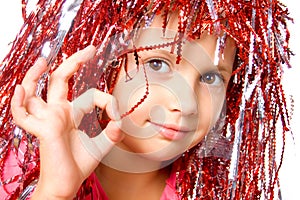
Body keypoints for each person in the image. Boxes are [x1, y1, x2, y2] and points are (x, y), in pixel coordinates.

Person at [0, 0, 292, 199]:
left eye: (211, 78)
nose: (187, 103)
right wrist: (53, 192)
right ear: (105, 61)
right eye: (157, 64)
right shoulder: (25, 168)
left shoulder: (213, 191)